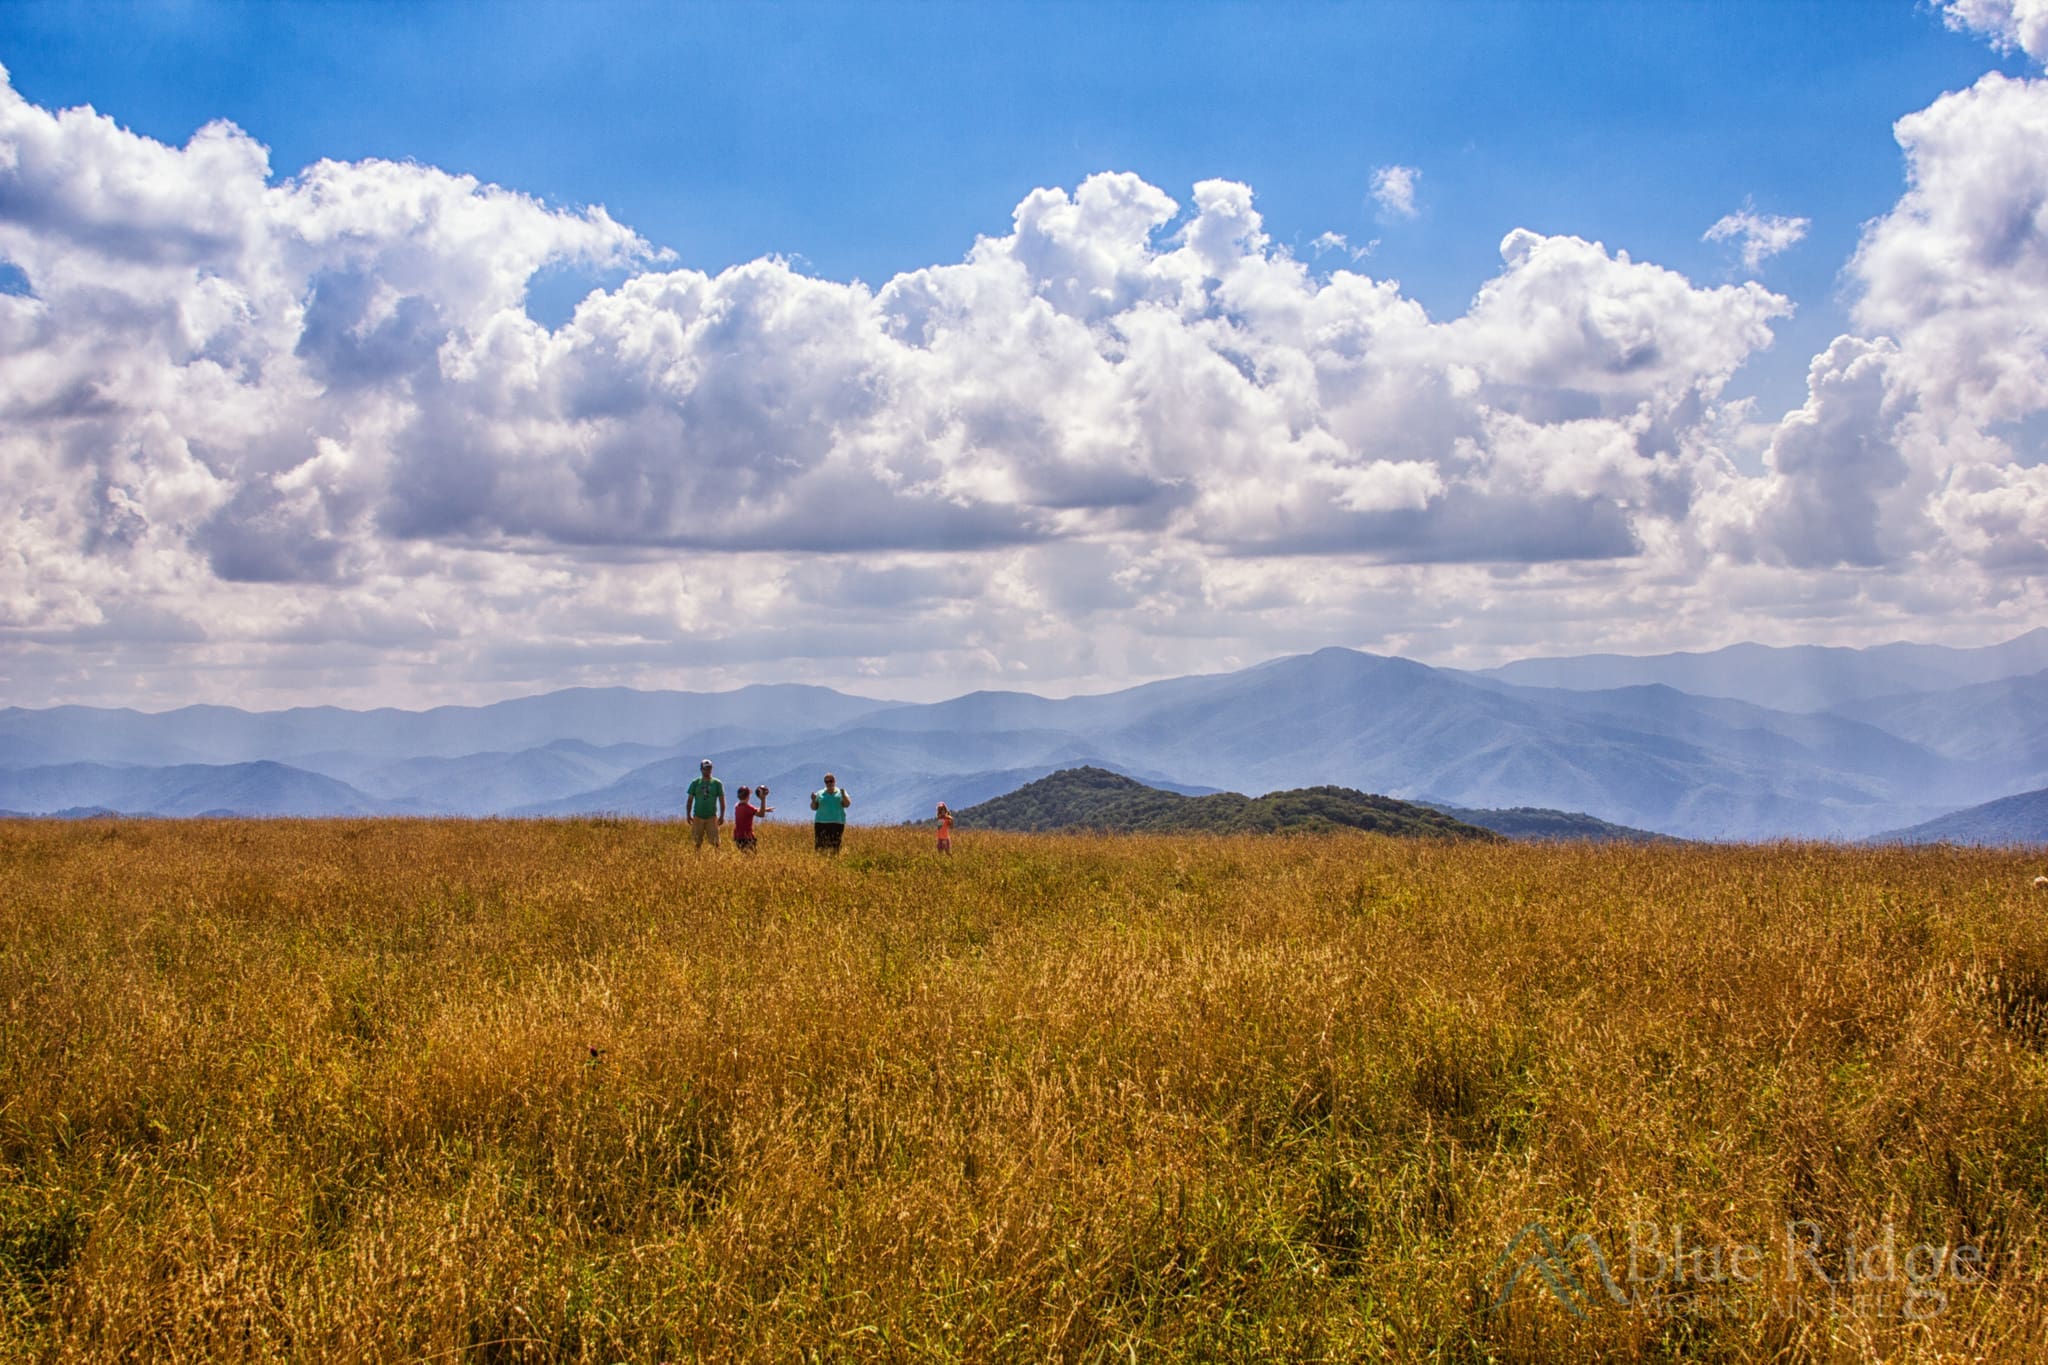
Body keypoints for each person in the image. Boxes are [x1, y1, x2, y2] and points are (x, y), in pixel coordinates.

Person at [686, 759, 725, 849]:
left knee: (716, 843)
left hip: (711, 817)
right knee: (696, 842)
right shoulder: (695, 783)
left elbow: (722, 800)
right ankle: (696, 860)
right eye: (705, 769)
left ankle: (717, 860)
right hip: (698, 816)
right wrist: (688, 815)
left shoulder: (717, 783)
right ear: (701, 769)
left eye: (709, 768)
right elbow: (690, 800)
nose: (707, 771)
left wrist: (722, 815)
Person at [810, 772, 851, 853]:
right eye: (827, 781)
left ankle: (833, 861)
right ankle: (820, 862)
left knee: (835, 845)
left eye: (831, 781)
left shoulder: (841, 792)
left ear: (834, 781)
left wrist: (843, 795)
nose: (829, 783)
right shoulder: (820, 793)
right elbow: (814, 807)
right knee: (820, 846)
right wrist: (813, 800)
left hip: (837, 823)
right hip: (821, 823)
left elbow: (847, 804)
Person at [733, 785, 772, 853]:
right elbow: (761, 815)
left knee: (744, 856)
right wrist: (763, 799)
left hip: (738, 837)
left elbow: (751, 811)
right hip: (748, 837)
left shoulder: (737, 806)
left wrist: (764, 809)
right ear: (748, 796)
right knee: (752, 857)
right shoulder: (748, 807)